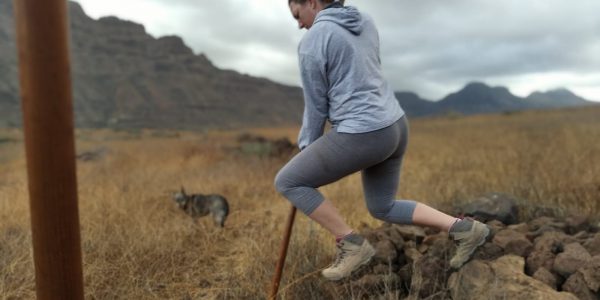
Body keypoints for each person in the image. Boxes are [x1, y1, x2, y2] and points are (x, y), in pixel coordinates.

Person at [275, 0, 490, 281]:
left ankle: (350, 244)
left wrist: (307, 147)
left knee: (289, 181)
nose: (299, 24)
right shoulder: (365, 21)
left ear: (312, 3)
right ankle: (465, 229)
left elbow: (317, 105)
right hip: (395, 125)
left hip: (364, 131)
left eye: (297, 15)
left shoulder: (312, 40)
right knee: (382, 206)